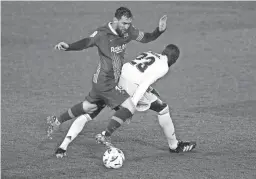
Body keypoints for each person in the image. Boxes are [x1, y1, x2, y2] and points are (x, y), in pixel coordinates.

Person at [47, 7, 167, 145]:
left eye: (129, 23)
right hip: (106, 82)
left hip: (104, 81)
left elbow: (146, 38)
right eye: (124, 23)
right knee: (129, 108)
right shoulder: (102, 34)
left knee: (88, 107)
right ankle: (106, 135)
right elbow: (86, 42)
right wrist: (68, 46)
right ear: (115, 20)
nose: (127, 27)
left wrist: (159, 30)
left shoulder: (129, 31)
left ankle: (57, 121)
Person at [55, 44, 196, 158]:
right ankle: (174, 146)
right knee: (162, 108)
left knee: (91, 110)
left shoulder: (151, 53)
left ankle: (62, 145)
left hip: (118, 78)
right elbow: (144, 84)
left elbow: (138, 71)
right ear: (174, 60)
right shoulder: (164, 66)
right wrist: (132, 104)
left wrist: (148, 91)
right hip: (132, 85)